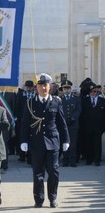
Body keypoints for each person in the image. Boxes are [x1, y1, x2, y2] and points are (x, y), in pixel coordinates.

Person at [20, 73, 70, 208]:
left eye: (45, 85)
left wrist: (66, 140)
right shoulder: (30, 102)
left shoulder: (56, 101)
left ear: (50, 87)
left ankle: (53, 198)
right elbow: (25, 123)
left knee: (53, 171)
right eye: (40, 85)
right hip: (36, 142)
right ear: (36, 87)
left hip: (53, 141)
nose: (43, 88)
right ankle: (39, 199)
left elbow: (61, 122)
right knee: (38, 173)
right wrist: (23, 140)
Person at [80, 82, 105, 166]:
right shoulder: (84, 101)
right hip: (87, 126)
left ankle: (97, 159)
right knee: (88, 143)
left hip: (99, 126)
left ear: (97, 92)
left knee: (97, 143)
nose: (93, 93)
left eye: (95, 91)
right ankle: (89, 159)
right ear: (89, 92)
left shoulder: (102, 101)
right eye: (92, 91)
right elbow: (82, 114)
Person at [61, 80, 81, 167]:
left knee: (73, 143)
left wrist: (73, 119)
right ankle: (65, 160)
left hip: (73, 124)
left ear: (70, 89)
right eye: (65, 88)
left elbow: (78, 110)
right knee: (65, 143)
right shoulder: (60, 100)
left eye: (68, 88)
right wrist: (63, 121)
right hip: (64, 124)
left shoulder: (76, 99)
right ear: (62, 90)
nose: (66, 90)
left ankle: (73, 160)